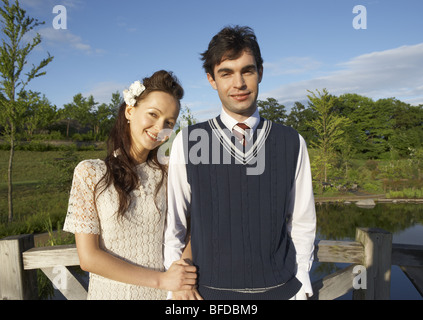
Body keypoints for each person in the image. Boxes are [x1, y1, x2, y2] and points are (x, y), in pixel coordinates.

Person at [164, 26, 316, 300]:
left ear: (260, 72)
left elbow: (302, 221)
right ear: (211, 79)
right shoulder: (187, 142)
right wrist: (177, 283)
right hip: (208, 294)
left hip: (280, 291)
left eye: (247, 70)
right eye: (226, 73)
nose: (239, 84)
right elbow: (175, 225)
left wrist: (302, 280)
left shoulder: (292, 141)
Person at [63, 70, 197, 300]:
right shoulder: (90, 173)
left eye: (169, 122)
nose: (159, 127)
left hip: (165, 296)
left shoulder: (168, 173)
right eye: (153, 114)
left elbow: (193, 228)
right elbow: (88, 258)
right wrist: (162, 280)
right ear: (130, 111)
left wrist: (182, 278)